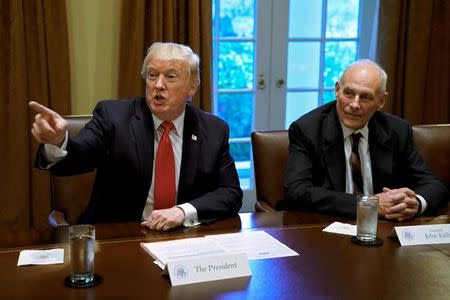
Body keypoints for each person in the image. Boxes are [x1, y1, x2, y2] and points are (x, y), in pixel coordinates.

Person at [29, 42, 243, 231]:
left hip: (182, 239)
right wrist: (57, 141)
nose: (158, 85)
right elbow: (78, 157)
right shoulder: (113, 117)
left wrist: (182, 211)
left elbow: (230, 193)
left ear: (192, 86)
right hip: (120, 236)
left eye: (170, 76)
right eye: (152, 75)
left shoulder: (213, 129)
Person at [283, 59, 448, 221]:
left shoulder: (396, 130)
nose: (354, 104)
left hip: (382, 228)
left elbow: (433, 185)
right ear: (337, 90)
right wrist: (368, 204)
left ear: (381, 101)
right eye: (348, 93)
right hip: (327, 226)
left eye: (365, 97)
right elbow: (297, 191)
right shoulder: (307, 129)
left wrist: (416, 204)